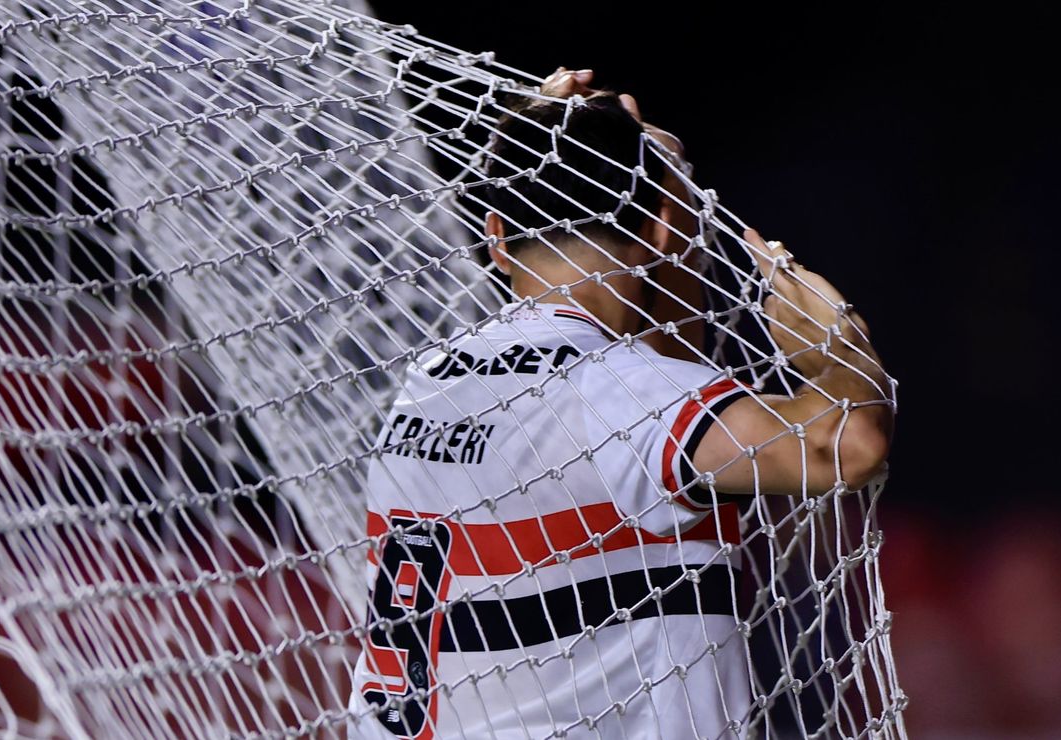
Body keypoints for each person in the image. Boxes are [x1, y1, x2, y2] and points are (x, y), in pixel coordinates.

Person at [347, 67, 894, 739]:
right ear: (659, 229)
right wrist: (838, 345)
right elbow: (848, 445)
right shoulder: (618, 395)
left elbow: (664, 384)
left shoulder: (429, 382)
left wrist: (588, 155)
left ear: (494, 234)